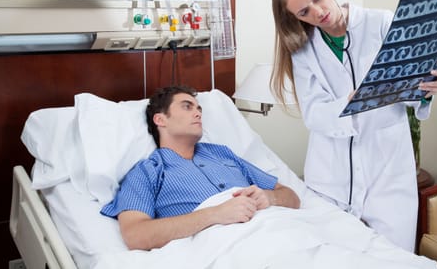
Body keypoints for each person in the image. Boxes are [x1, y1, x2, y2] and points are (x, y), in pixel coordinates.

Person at [270, 0, 437, 252]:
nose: (316, 12)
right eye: (303, 12)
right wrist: (353, 101)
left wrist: (428, 89)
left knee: (395, 258)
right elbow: (314, 114)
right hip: (330, 180)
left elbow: (411, 89)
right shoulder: (303, 50)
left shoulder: (383, 23)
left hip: (387, 175)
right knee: (338, 258)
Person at [101, 85, 300, 250]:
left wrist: (269, 197)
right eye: (187, 107)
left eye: (199, 109)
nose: (197, 113)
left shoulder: (223, 153)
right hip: (230, 247)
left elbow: (291, 197)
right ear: (160, 119)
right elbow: (136, 235)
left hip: (280, 231)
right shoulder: (147, 171)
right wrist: (216, 214)